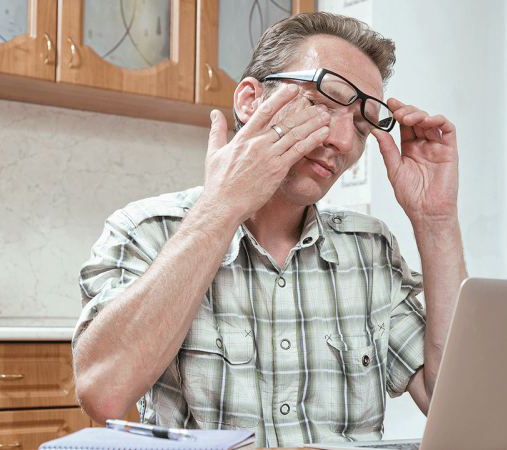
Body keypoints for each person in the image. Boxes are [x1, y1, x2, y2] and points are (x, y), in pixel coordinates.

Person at [72, 12, 467, 447]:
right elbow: (103, 393)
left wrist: (436, 221)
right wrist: (221, 207)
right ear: (249, 100)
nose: (341, 139)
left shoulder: (370, 249)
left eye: (360, 124)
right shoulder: (146, 231)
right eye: (322, 102)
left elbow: (451, 401)